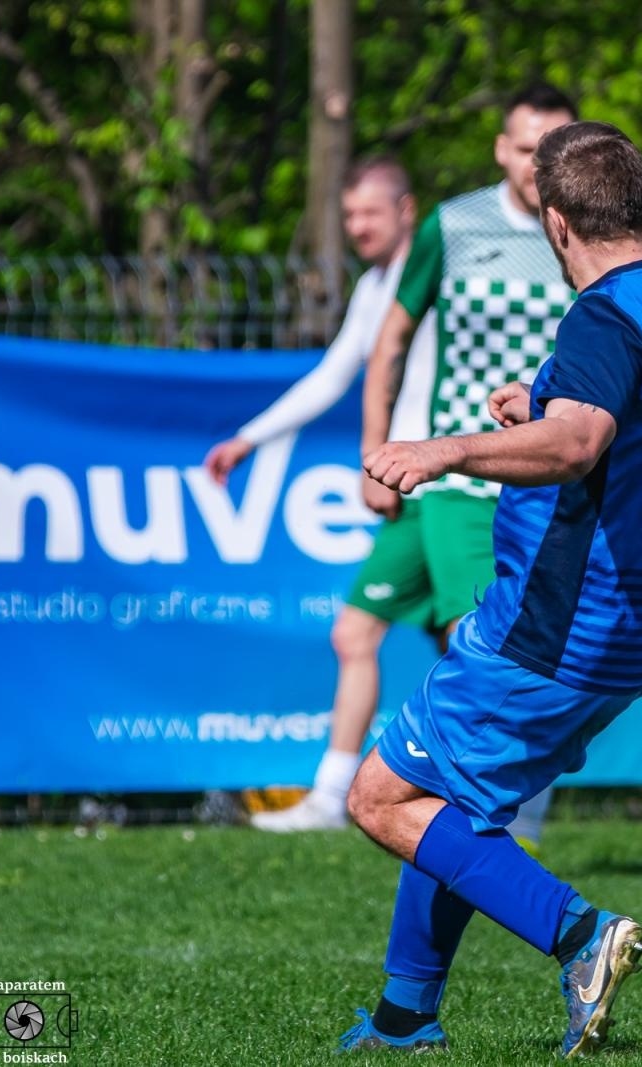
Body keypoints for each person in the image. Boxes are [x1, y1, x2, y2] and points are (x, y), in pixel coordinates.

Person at [338, 120, 642, 1057]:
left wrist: (448, 448)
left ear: (557, 223)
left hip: (556, 621)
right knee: (450, 794)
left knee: (382, 798)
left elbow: (581, 444)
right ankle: (403, 1017)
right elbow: (634, 416)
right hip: (634, 619)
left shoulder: (603, 310)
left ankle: (579, 934)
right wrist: (544, 399)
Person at [357, 83, 580, 849]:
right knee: (475, 641)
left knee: (546, 651)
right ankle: (481, 820)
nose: (536, 163)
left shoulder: (586, 232)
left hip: (555, 479)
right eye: (524, 148)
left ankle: (510, 812)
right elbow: (388, 340)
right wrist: (372, 449)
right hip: (461, 480)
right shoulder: (453, 226)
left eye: (552, 148)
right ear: (500, 148)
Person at [203, 157, 443, 833]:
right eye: (348, 216)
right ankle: (346, 796)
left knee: (441, 644)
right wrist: (250, 437)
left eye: (370, 212)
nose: (357, 226)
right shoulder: (376, 287)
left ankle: (356, 795)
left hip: (449, 488)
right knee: (391, 637)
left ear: (406, 209)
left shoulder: (448, 276)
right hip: (414, 488)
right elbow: (336, 373)